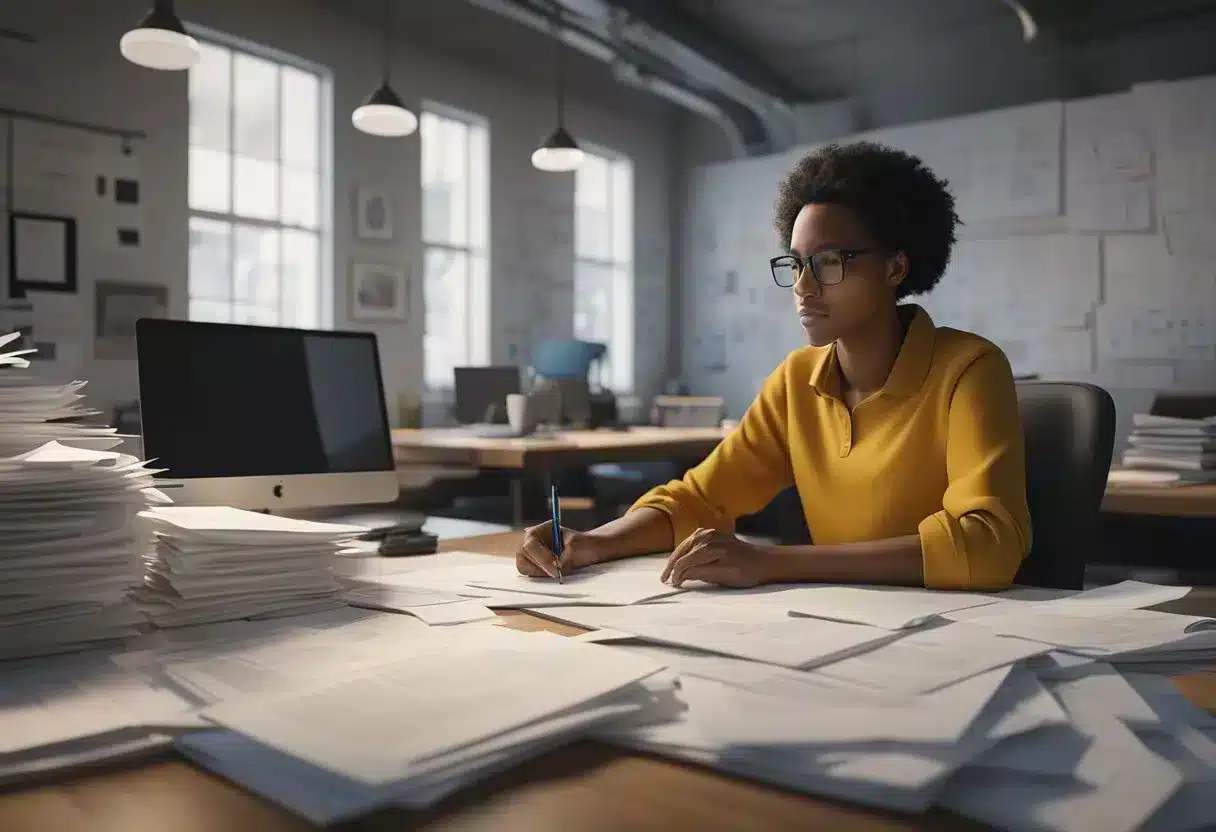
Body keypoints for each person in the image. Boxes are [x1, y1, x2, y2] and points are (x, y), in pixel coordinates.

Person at [516, 141, 1031, 591]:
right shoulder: (796, 381)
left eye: (830, 262)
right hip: (841, 629)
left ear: (894, 267)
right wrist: (590, 543)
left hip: (955, 642)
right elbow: (698, 500)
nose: (804, 287)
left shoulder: (969, 369)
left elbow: (987, 543)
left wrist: (773, 561)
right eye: (796, 263)